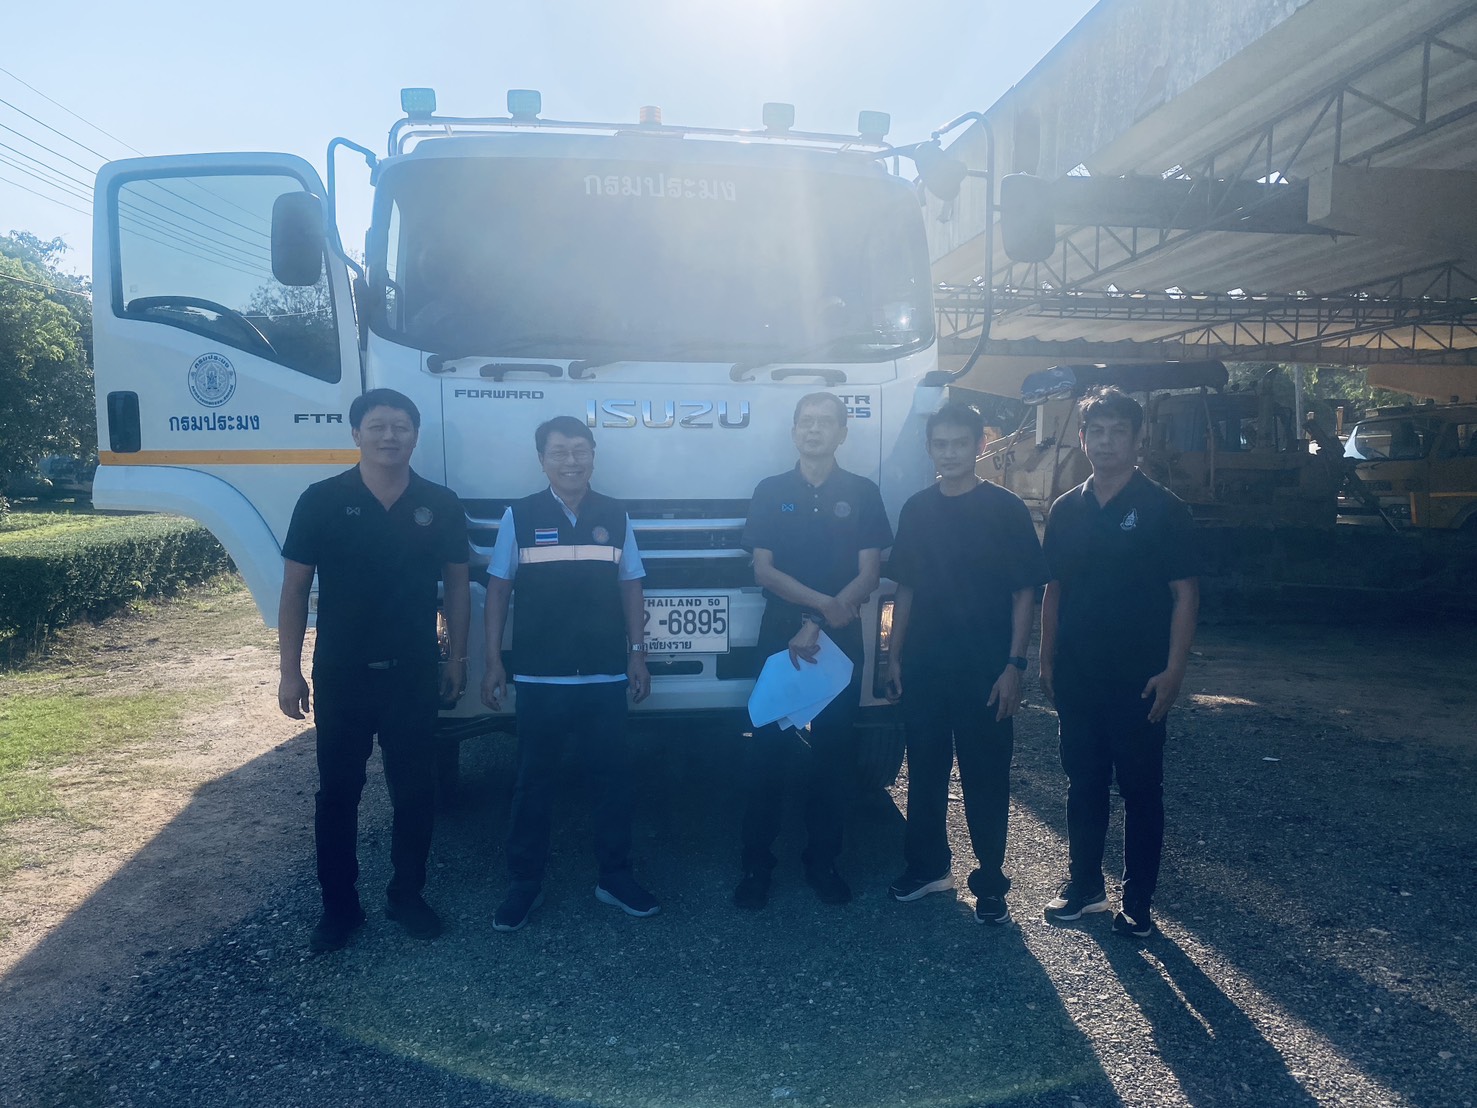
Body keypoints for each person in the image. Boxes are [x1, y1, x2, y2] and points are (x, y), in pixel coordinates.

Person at [278, 388, 470, 954]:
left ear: (415, 435)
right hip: (342, 672)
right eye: (379, 426)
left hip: (413, 671)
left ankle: (407, 896)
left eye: (401, 426)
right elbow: (295, 589)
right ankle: (339, 907)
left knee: (414, 792)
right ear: (356, 433)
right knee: (338, 794)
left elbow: (458, 586)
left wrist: (457, 657)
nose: (390, 436)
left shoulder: (439, 502)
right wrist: (289, 671)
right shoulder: (321, 499)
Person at [480, 415, 658, 931]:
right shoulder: (519, 515)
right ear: (542, 461)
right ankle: (524, 884)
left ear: (593, 457)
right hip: (541, 677)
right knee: (533, 784)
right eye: (559, 452)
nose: (571, 461)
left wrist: (637, 654)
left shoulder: (615, 515)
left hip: (605, 675)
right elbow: (498, 589)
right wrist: (494, 661)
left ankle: (615, 877)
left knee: (612, 782)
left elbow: (631, 585)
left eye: (580, 451)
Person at [1039, 387, 1199, 939]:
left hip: (1140, 677)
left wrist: (1174, 671)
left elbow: (1184, 594)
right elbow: (1054, 589)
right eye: (1097, 432)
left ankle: (1138, 903)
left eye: (1118, 432)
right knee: (1083, 782)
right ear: (1083, 439)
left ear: (1137, 439)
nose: (1106, 442)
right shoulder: (1066, 509)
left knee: (1140, 789)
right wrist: (1046, 659)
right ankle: (1084, 887)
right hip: (1078, 673)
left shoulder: (1164, 509)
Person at [884, 402, 1047, 924]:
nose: (950, 453)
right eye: (941, 444)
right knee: (924, 771)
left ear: (980, 445)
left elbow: (1025, 592)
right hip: (925, 664)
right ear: (929, 448)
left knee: (986, 776)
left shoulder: (1005, 509)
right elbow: (906, 589)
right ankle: (928, 868)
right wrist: (894, 656)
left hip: (986, 668)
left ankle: (991, 883)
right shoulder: (916, 509)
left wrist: (1015, 664)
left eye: (960, 443)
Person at [734, 393, 894, 909]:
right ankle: (756, 866)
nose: (814, 430)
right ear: (794, 431)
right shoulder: (770, 490)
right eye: (806, 422)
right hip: (781, 638)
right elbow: (763, 570)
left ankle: (823, 862)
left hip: (839, 642)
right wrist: (821, 607)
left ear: (842, 433)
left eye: (826, 423)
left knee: (833, 756)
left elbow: (870, 572)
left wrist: (821, 621)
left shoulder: (863, 492)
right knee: (767, 753)